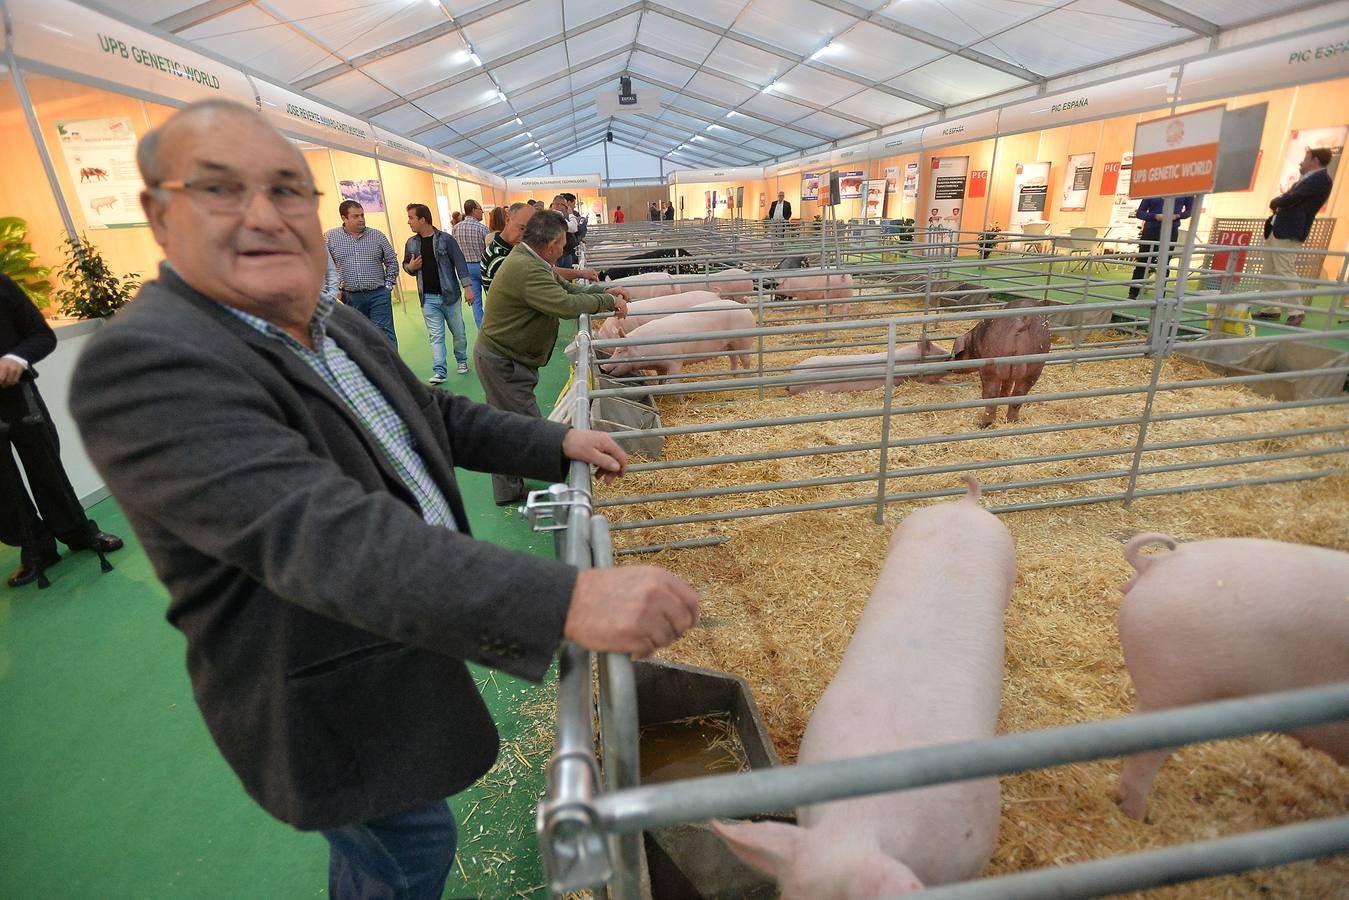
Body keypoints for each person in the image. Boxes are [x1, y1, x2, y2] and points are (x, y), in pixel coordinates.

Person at [68, 99, 699, 900]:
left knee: (389, 850)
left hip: (391, 637)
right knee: (405, 856)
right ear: (161, 214)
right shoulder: (150, 365)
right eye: (220, 190)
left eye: (288, 190)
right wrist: (563, 596)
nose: (266, 214)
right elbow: (320, 536)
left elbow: (426, 415)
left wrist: (549, 441)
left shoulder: (324, 320)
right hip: (324, 681)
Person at [475, 211, 630, 505]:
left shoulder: (532, 260)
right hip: (502, 360)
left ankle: (508, 489)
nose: (564, 250)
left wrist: (605, 291)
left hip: (505, 356)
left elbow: (567, 289)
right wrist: (608, 301)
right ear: (550, 245)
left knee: (507, 425)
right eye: (562, 244)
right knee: (529, 428)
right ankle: (566, 483)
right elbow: (565, 303)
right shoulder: (528, 268)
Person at [0, 272, 122, 588]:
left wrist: (16, 358)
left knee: (47, 469)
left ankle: (79, 533)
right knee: (1, 487)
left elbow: (42, 336)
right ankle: (36, 549)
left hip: (18, 395)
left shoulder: (1, 285)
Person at [1257, 147, 1334, 326]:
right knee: (1270, 270)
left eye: (1305, 159)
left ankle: (1296, 312)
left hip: (1290, 230)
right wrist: (1281, 201)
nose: (1301, 162)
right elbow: (1291, 196)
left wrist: (1275, 202)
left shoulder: (1321, 180)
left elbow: (1293, 198)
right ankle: (1270, 308)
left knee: (1285, 270)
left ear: (1314, 160)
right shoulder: (1307, 179)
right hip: (1278, 227)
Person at [404, 203, 474, 382]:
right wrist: (410, 267)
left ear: (422, 219)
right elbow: (407, 265)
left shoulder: (446, 239)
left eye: (411, 218)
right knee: (436, 336)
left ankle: (461, 360)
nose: (408, 222)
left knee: (458, 332)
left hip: (450, 296)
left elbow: (459, 263)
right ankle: (440, 371)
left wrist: (467, 288)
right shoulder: (411, 243)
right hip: (427, 298)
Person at [481, 203, 598, 301]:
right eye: (521, 228)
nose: (523, 236)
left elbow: (543, 271)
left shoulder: (513, 250)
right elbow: (541, 274)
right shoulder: (498, 257)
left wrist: (581, 274)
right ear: (507, 220)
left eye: (528, 231)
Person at [324, 200, 399, 347]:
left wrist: (388, 287)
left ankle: (391, 369)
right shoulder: (330, 238)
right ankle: (371, 369)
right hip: (350, 297)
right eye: (356, 216)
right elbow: (324, 266)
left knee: (384, 334)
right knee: (359, 336)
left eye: (362, 215)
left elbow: (392, 262)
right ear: (344, 218)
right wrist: (334, 290)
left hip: (378, 295)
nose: (361, 219)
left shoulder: (377, 236)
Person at [1126, 195, 1193, 300]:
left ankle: (1161, 297)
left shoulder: (1185, 191)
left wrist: (1177, 216)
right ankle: (1132, 294)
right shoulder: (1154, 189)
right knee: (1142, 262)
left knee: (1164, 263)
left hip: (1171, 230)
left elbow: (1190, 211)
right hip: (1150, 230)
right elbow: (1140, 213)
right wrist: (1155, 216)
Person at [452, 199, 490, 329]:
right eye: (480, 209)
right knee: (491, 300)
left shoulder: (456, 229)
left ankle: (482, 330)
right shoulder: (483, 228)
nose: (482, 212)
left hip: (466, 269)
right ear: (474, 210)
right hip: (483, 266)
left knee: (476, 303)